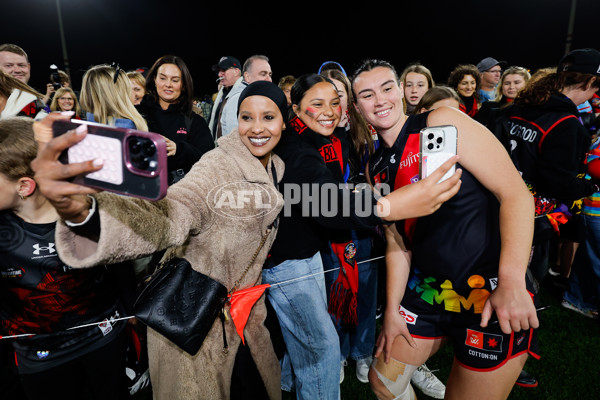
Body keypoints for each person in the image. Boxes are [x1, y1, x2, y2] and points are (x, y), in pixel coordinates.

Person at [31, 81, 293, 400]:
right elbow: (176, 211)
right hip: (193, 327)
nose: (256, 128)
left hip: (245, 324)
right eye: (246, 117)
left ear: (284, 121)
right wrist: (84, 213)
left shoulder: (278, 166)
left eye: (268, 117)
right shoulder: (217, 166)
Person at [350, 59, 539, 400]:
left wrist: (511, 281)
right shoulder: (373, 166)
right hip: (428, 292)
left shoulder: (442, 122)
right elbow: (397, 239)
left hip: (487, 293)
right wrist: (392, 310)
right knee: (384, 383)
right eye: (367, 94)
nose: (379, 100)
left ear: (401, 91)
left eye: (387, 88)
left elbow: (515, 194)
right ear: (357, 107)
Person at [266, 72, 462, 399]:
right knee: (323, 350)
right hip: (287, 263)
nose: (329, 110)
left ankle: (288, 385)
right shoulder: (297, 149)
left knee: (302, 338)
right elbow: (328, 204)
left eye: (334, 102)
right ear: (296, 109)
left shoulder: (318, 139)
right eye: (317, 104)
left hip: (303, 254)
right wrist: (392, 204)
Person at [0, 116, 129, 400]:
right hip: (38, 356)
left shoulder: (82, 213)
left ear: (24, 186)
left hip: (102, 339)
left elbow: (120, 265)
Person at [493, 48, 600, 286]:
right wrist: (588, 185)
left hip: (498, 204)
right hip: (531, 219)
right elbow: (557, 182)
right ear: (591, 80)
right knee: (522, 283)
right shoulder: (567, 123)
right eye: (596, 87)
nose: (594, 94)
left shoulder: (522, 106)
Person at [318, 66, 379, 385]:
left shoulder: (365, 134)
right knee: (336, 291)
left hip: (363, 226)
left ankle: (363, 352)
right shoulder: (315, 138)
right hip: (331, 231)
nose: (333, 102)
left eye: (339, 94)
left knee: (366, 290)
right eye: (325, 97)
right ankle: (339, 352)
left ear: (349, 99)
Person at [137, 55, 214, 185]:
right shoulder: (137, 114)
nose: (168, 84)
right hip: (141, 189)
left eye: (175, 80)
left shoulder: (194, 121)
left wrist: (178, 149)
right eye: (162, 78)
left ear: (183, 85)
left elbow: (210, 160)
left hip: (180, 193)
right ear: (154, 79)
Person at [209, 56, 245, 140]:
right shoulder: (223, 92)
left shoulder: (244, 93)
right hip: (218, 147)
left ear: (236, 71)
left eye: (224, 70)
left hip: (233, 148)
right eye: (219, 71)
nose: (219, 74)